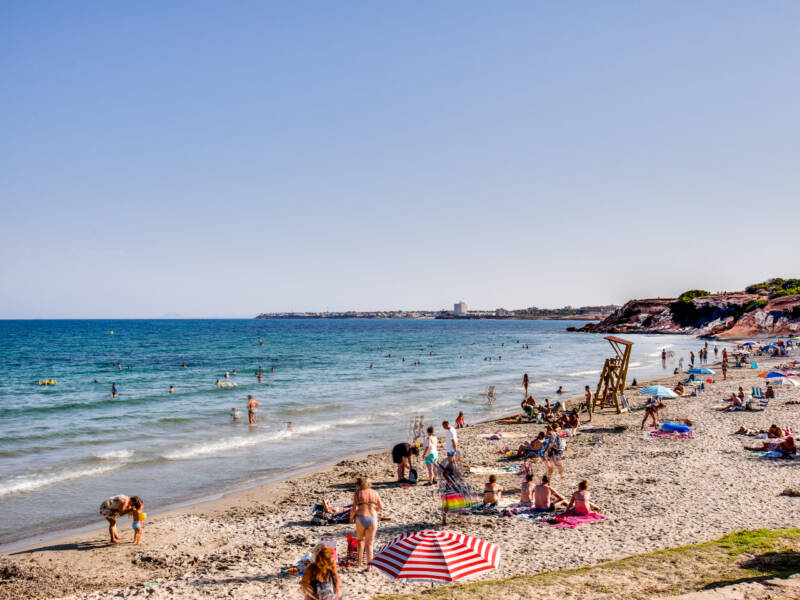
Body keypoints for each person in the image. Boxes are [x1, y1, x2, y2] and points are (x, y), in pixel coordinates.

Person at [349, 476, 383, 568]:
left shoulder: (357, 494)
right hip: (372, 518)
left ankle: (359, 563)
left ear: (360, 484)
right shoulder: (374, 493)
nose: (356, 486)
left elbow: (354, 509)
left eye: (356, 484)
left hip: (361, 518)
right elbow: (381, 506)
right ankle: (369, 566)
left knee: (360, 540)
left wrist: (351, 519)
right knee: (370, 543)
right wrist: (375, 509)